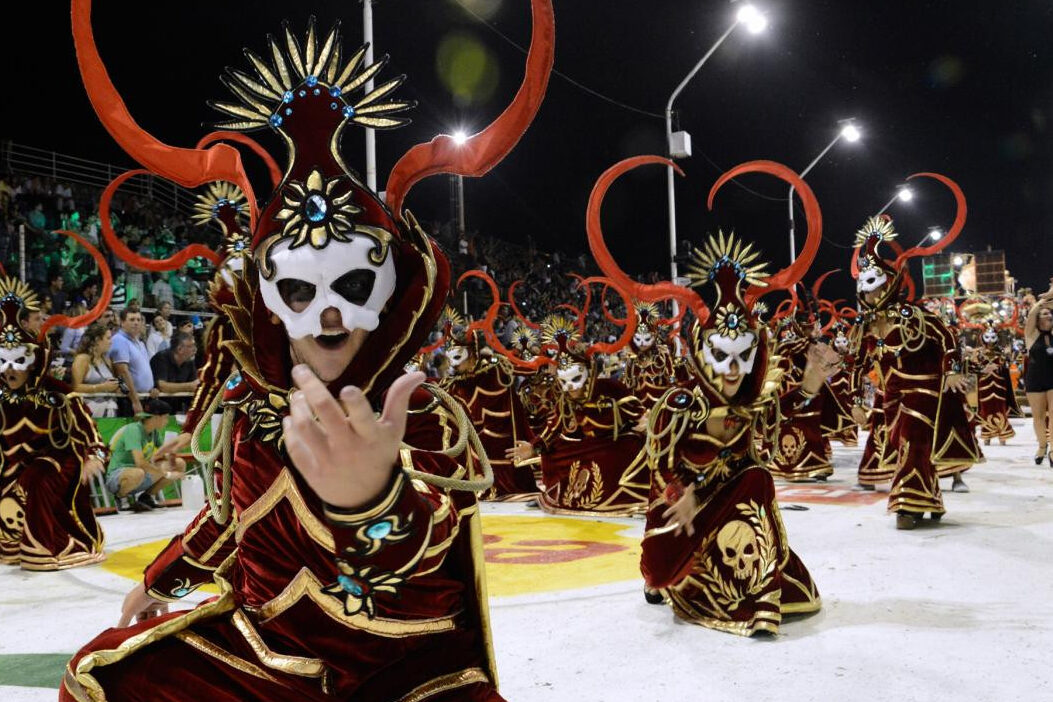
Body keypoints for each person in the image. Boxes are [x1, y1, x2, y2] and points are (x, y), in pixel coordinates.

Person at [62, 3, 553, 700]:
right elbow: (231, 518)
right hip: (266, 654)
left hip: (405, 676)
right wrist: (161, 577)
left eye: (352, 283)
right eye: (298, 288)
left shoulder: (424, 417)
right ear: (267, 298)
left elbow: (430, 548)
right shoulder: (258, 413)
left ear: (391, 293)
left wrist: (371, 498)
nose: (327, 312)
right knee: (100, 677)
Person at [586, 156, 825, 634]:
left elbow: (785, 425)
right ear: (701, 349)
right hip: (685, 502)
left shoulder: (755, 398)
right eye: (721, 355)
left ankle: (756, 595)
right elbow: (659, 463)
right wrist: (683, 494)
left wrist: (813, 382)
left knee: (757, 477)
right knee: (658, 571)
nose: (732, 369)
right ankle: (672, 573)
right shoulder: (680, 403)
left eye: (742, 354)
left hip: (736, 502)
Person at [849, 197, 982, 530]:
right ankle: (932, 501)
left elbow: (948, 337)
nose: (869, 296)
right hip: (891, 396)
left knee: (914, 442)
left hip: (923, 390)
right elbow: (858, 363)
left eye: (874, 288)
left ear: (888, 284)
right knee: (904, 446)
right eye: (864, 290)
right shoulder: (865, 325)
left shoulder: (912, 315)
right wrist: (854, 401)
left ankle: (907, 507)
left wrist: (951, 371)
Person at [0, 256, 110, 571]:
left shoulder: (55, 394)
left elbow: (90, 433)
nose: (9, 371)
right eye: (2, 362)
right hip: (12, 468)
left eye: (17, 361)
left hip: (55, 464)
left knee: (35, 477)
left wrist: (93, 457)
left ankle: (42, 548)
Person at [104, 398, 184, 512]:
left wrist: (171, 455)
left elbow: (163, 454)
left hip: (140, 474)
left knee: (179, 464)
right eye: (166, 417)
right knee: (138, 472)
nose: (167, 421)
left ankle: (146, 497)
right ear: (156, 417)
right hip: (118, 476)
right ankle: (121, 497)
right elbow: (140, 462)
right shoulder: (133, 430)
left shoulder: (154, 432)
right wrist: (167, 474)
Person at [1024, 280, 1053, 464]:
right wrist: (1042, 302)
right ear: (1038, 319)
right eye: (1044, 314)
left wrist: (1050, 296)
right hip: (1035, 381)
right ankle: (1042, 446)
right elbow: (1031, 316)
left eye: (1050, 313)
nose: (1048, 315)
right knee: (1038, 417)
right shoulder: (1031, 335)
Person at [108, 307, 156, 415]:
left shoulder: (141, 343)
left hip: (146, 397)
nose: (136, 323)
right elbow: (122, 372)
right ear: (122, 322)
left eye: (139, 320)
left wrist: (151, 388)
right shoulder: (119, 340)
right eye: (132, 319)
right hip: (129, 400)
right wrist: (135, 401)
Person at [70, 322, 121, 417]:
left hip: (110, 410)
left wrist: (116, 387)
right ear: (97, 340)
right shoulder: (82, 359)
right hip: (89, 412)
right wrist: (102, 387)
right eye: (108, 338)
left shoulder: (106, 360)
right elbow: (75, 388)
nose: (111, 342)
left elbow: (110, 385)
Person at [149, 330, 199, 412]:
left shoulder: (190, 361)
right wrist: (189, 386)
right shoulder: (161, 358)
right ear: (179, 349)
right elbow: (162, 386)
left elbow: (195, 385)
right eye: (191, 346)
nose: (195, 349)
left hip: (177, 407)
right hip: (157, 409)